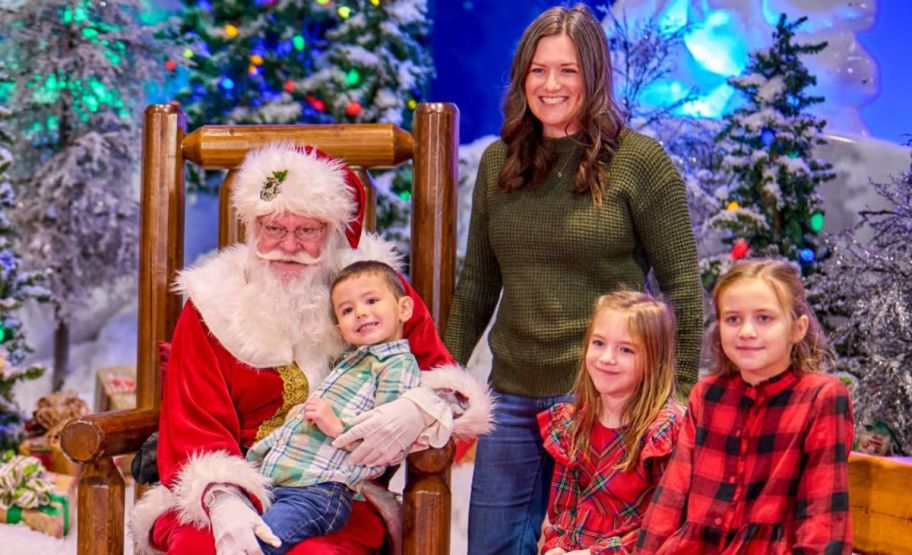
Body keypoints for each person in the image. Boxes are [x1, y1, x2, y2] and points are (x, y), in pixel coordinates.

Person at [129, 144, 494, 555]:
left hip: (340, 488)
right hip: (225, 487)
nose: (288, 245)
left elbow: (444, 381)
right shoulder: (211, 304)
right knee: (203, 547)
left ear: (334, 231)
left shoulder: (372, 294)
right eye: (274, 228)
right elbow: (192, 421)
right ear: (252, 226)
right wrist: (224, 498)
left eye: (307, 230)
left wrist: (421, 409)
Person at [442, 4, 702, 553]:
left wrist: (676, 398)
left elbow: (682, 287)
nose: (551, 84)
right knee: (490, 545)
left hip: (603, 402)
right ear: (522, 77)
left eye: (568, 71)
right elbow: (476, 289)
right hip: (511, 396)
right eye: (539, 70)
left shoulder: (640, 163)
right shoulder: (498, 163)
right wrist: (438, 382)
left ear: (595, 77)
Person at [636, 259, 854, 554]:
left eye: (764, 318)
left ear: (797, 329)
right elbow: (671, 496)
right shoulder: (707, 394)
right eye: (733, 319)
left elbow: (823, 517)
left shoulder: (821, 397)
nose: (746, 332)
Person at [246, 260, 422, 554]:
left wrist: (338, 427)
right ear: (340, 328)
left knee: (257, 545)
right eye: (347, 310)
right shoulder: (350, 362)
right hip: (281, 482)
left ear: (403, 308)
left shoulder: (397, 366)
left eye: (371, 300)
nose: (361, 312)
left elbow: (386, 437)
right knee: (232, 534)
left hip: (319, 492)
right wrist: (296, 418)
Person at [539, 291, 683, 555]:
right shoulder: (571, 425)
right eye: (598, 343)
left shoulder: (664, 430)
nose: (606, 358)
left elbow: (665, 526)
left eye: (625, 349)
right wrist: (558, 548)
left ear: (654, 360)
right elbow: (563, 513)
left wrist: (597, 553)